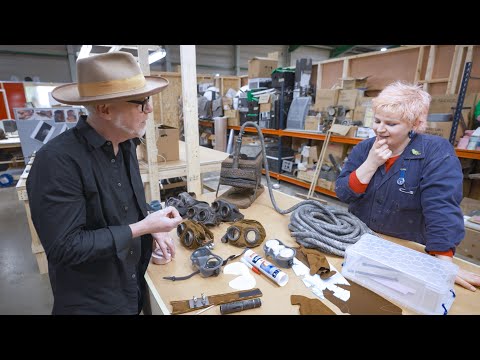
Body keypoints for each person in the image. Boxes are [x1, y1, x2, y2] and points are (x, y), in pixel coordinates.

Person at [26, 51, 183, 314]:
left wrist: (149, 226)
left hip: (131, 288)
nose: (150, 108)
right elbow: (65, 247)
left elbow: (122, 207)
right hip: (93, 303)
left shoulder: (126, 144)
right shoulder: (56, 162)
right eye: (141, 102)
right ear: (105, 109)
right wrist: (141, 227)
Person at [335, 81, 480, 292]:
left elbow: (441, 206)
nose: (380, 129)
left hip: (407, 248)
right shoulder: (364, 148)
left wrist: (443, 261)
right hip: (360, 242)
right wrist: (370, 164)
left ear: (414, 124)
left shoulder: (435, 152)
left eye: (391, 124)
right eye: (376, 121)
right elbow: (343, 193)